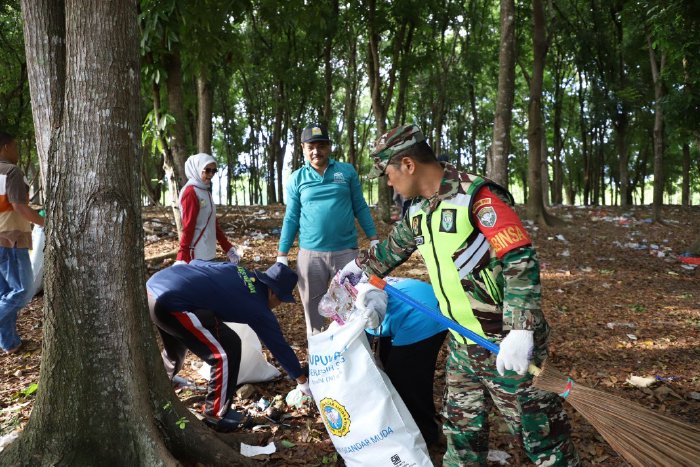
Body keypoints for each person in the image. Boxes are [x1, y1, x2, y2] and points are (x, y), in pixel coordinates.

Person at [339, 125, 579, 466]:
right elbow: (391, 250)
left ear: (408, 164)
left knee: (543, 441)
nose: (388, 182)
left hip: (505, 344)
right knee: (462, 441)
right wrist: (358, 270)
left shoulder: (478, 197)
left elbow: (519, 258)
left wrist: (521, 329)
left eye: (388, 173)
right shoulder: (420, 210)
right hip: (463, 345)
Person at [146, 261, 310, 431]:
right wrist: (302, 382)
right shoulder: (258, 307)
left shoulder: (238, 270)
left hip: (154, 287)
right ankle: (215, 413)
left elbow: (197, 263)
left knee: (176, 347)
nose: (279, 305)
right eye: (281, 300)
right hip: (172, 302)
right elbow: (279, 346)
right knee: (226, 351)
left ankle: (157, 383)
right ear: (273, 293)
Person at [276, 123, 378, 335]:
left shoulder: (346, 171)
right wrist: (282, 255)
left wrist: (374, 238)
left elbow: (360, 206)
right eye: (311, 146)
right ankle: (319, 362)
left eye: (321, 145)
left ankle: (349, 360)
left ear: (329, 147)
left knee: (349, 309)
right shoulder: (297, 178)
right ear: (303, 148)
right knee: (314, 313)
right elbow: (292, 217)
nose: (316, 151)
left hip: (346, 253)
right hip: (311, 257)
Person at [358, 277, 448, 448]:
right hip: (407, 307)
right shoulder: (347, 322)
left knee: (405, 381)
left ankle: (425, 435)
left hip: (422, 312)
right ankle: (408, 427)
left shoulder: (361, 305)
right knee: (392, 373)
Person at [0, 132, 44, 354]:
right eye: (15, 146)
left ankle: (10, 344)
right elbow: (18, 206)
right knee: (23, 291)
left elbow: (7, 206)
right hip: (10, 239)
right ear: (6, 147)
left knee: (5, 292)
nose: (17, 152)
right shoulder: (12, 171)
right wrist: (45, 222)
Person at [176, 153, 239, 265]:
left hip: (207, 253)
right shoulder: (190, 192)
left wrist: (227, 248)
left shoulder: (205, 191)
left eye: (214, 171)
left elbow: (212, 223)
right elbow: (188, 226)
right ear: (197, 169)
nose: (211, 174)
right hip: (195, 256)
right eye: (207, 170)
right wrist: (182, 257)